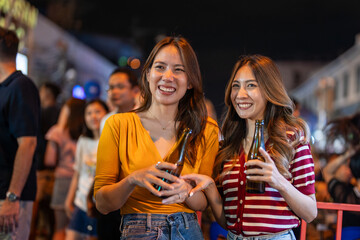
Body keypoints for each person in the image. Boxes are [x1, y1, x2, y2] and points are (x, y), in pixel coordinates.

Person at [94, 36, 219, 239]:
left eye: (179, 69)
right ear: (148, 74)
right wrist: (133, 180)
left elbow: (203, 202)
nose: (168, 76)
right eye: (160, 67)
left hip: (188, 230)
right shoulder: (118, 124)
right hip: (137, 230)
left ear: (190, 82)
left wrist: (187, 190)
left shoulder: (206, 129)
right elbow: (102, 204)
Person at [182, 54, 317, 239]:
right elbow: (226, 221)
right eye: (236, 86)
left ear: (270, 90)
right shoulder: (229, 145)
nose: (240, 94)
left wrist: (278, 181)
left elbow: (310, 212)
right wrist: (211, 188)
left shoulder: (291, 138)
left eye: (251, 85)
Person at [0, 27, 40, 239]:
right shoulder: (5, 88)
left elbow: (28, 144)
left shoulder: (20, 87)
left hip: (9, 198)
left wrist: (12, 198)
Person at [65, 99, 108, 240]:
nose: (93, 116)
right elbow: (78, 173)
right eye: (89, 113)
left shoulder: (110, 141)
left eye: (97, 111)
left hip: (99, 206)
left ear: (107, 114)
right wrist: (69, 200)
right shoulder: (83, 141)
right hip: (81, 201)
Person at [45, 97, 86, 240]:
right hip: (82, 183)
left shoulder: (57, 131)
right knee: (76, 230)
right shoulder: (86, 132)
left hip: (62, 180)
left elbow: (49, 160)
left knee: (60, 229)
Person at [30, 82, 61, 240]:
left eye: (41, 92)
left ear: (47, 93)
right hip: (58, 169)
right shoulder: (60, 112)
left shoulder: (42, 113)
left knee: (35, 210)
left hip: (42, 168)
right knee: (50, 212)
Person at [323, 112, 360, 240]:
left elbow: (327, 171)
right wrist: (350, 153)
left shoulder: (344, 192)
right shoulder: (345, 191)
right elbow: (327, 171)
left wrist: (349, 154)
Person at [100, 67, 140, 132]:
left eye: (120, 87)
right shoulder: (106, 120)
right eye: (111, 87)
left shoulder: (144, 118)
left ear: (135, 91)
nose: (114, 92)